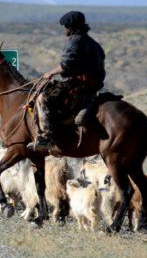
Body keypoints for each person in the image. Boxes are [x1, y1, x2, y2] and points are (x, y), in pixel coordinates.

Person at [27, 11, 106, 153]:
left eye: (65, 26)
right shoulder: (93, 43)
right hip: (93, 85)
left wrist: (49, 73)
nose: (64, 29)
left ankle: (45, 138)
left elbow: (66, 65)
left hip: (79, 85)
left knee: (42, 98)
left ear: (71, 27)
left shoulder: (74, 40)